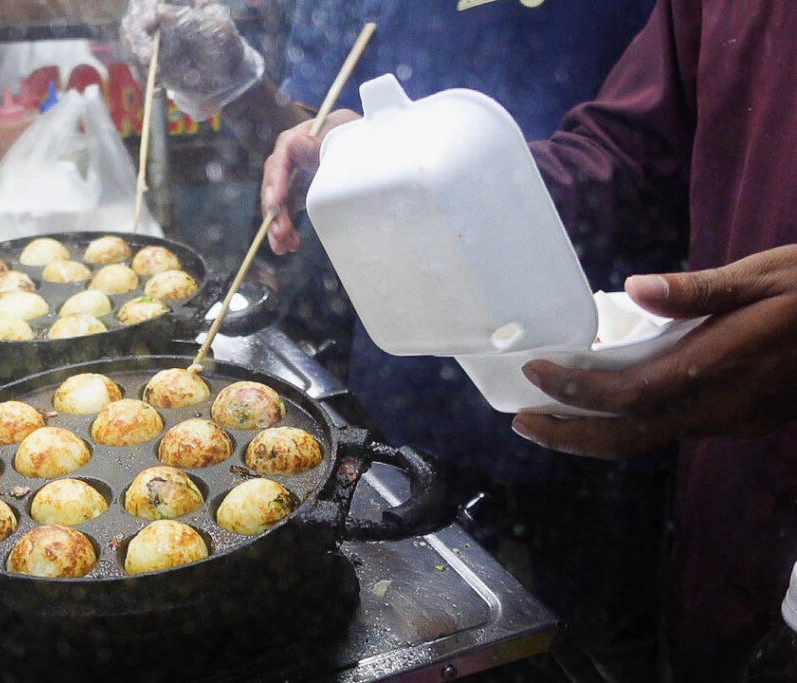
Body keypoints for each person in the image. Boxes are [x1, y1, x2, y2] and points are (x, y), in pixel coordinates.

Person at [123, 2, 672, 680]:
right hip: (414, 379)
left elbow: (653, 145)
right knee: (416, 629)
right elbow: (312, 126)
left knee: (594, 647)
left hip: (589, 373)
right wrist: (238, 87)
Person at [261, 1, 797, 681]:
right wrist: (408, 167)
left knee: (600, 634)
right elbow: (628, 152)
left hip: (663, 413)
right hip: (725, 475)